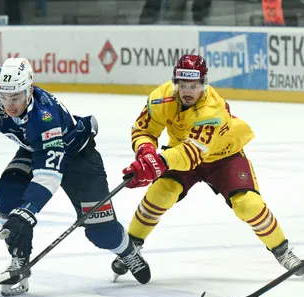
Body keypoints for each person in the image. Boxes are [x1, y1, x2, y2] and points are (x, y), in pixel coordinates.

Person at [0, 57, 151, 296]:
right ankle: (19, 258)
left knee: (100, 232)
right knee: (8, 199)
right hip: (35, 150)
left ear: (29, 90)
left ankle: (127, 251)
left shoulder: (44, 115)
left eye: (16, 97)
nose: (9, 105)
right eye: (4, 97)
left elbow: (49, 175)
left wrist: (28, 210)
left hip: (78, 157)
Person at [112, 54, 304, 281]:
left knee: (248, 204)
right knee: (159, 193)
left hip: (224, 156)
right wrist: (146, 152)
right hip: (180, 151)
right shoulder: (160, 98)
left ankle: (283, 253)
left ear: (203, 84)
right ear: (175, 83)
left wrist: (157, 163)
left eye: (193, 86)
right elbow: (144, 130)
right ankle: (130, 248)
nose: (187, 91)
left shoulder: (213, 109)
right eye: (182, 85)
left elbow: (192, 154)